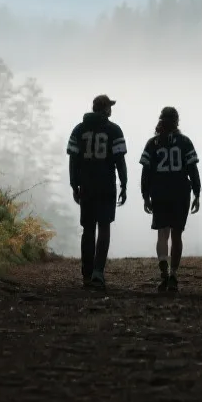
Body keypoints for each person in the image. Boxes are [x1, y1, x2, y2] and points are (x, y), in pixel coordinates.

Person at [66, 94, 128, 290]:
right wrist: (124, 184)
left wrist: (73, 184)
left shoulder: (79, 129)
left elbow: (73, 160)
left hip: (87, 185)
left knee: (88, 229)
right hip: (106, 185)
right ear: (106, 109)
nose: (111, 109)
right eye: (110, 106)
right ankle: (98, 272)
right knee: (104, 227)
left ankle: (86, 272)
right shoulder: (114, 130)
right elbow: (120, 160)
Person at [139, 106, 201, 293]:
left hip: (160, 192)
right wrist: (197, 192)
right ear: (177, 121)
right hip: (180, 192)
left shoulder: (153, 143)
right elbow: (192, 170)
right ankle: (174, 274)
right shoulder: (185, 142)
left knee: (162, 233)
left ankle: (163, 269)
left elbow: (146, 172)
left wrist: (145, 195)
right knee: (177, 234)